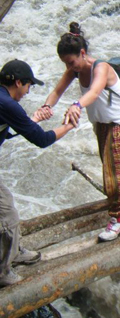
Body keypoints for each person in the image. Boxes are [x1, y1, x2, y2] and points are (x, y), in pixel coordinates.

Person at [36, 22, 120, 242]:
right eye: (66, 64)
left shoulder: (102, 68)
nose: (70, 67)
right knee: (117, 164)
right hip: (101, 124)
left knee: (115, 173)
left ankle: (118, 219)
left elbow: (95, 91)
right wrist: (46, 106)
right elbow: (56, 90)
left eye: (71, 62)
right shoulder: (74, 69)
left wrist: (77, 105)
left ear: (82, 53)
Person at [0, 59, 75, 286]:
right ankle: (3, 272)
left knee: (6, 207)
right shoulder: (8, 104)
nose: (28, 91)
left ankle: (12, 251)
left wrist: (30, 120)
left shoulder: (4, 101)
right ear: (19, 82)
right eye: (28, 85)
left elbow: (6, 132)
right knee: (8, 214)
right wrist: (69, 125)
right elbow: (41, 140)